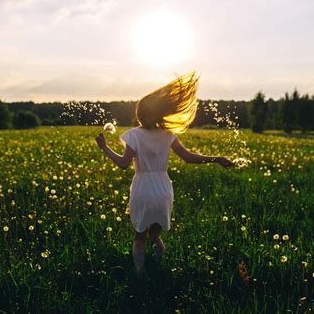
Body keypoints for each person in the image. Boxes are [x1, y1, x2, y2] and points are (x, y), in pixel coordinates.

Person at [95, 71, 234, 274]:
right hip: (163, 190)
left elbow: (124, 163)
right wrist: (217, 159)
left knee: (139, 238)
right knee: (155, 237)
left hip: (143, 190)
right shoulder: (168, 135)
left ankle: (140, 275)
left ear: (140, 114)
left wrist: (105, 148)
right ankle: (161, 269)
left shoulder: (133, 135)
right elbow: (188, 157)